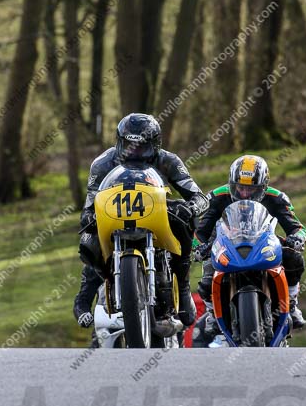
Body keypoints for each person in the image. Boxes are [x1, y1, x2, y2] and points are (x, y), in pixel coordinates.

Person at [73, 113, 208, 329]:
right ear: (120, 142)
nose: (134, 151)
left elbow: (198, 195)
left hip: (156, 214)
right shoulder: (102, 164)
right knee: (89, 238)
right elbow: (90, 202)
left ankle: (182, 287)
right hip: (114, 215)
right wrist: (88, 216)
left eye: (141, 146)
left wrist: (193, 206)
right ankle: (82, 302)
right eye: (129, 145)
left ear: (155, 144)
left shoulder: (169, 161)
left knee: (184, 218)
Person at [193, 154, 306, 332]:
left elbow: (297, 227)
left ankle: (291, 303)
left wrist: (298, 238)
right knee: (209, 272)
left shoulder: (277, 198)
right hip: (225, 243)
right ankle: (212, 313)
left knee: (294, 259)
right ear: (232, 184)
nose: (245, 193)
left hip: (264, 241)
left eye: (251, 189)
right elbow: (200, 231)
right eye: (240, 188)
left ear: (263, 187)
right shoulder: (216, 197)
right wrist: (198, 247)